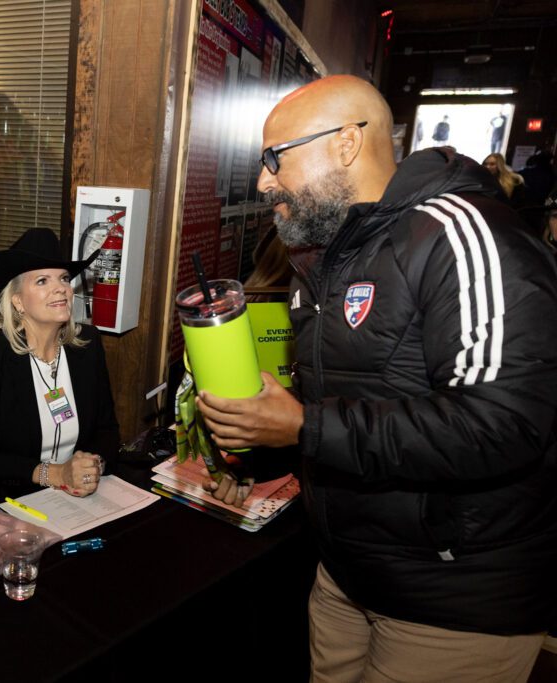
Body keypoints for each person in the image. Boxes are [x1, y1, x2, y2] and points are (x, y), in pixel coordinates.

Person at [196, 75, 557, 681]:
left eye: (274, 158)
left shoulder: (462, 235)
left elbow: (502, 424)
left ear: (345, 143)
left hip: (452, 600)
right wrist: (262, 448)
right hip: (348, 577)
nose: (263, 181)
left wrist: (304, 427)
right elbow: (353, 401)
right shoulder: (328, 257)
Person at [0, 228, 119, 503]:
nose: (61, 288)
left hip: (71, 498)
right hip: (1, 499)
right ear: (17, 301)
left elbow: (107, 430)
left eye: (64, 278)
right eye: (42, 281)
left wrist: (91, 468)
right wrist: (55, 474)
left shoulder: (88, 345)